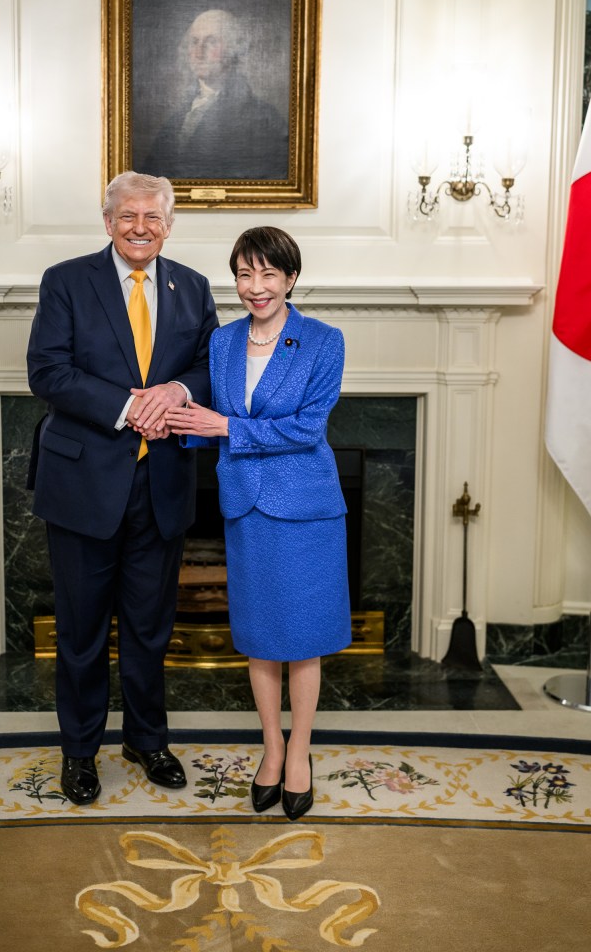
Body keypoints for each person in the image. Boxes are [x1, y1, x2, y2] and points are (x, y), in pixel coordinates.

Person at [26, 171, 218, 806]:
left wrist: (178, 391)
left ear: (169, 225)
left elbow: (209, 367)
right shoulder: (66, 281)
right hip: (84, 484)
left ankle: (146, 739)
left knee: (149, 627)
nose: (141, 227)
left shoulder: (191, 287)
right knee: (81, 633)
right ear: (108, 221)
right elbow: (46, 371)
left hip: (161, 486)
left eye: (153, 218)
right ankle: (80, 753)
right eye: (128, 216)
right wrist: (127, 406)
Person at [166, 227, 350, 821]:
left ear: (291, 278)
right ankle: (270, 749)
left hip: (306, 509)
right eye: (245, 275)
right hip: (246, 505)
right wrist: (168, 423)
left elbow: (307, 429)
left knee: (304, 639)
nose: (256, 287)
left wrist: (225, 429)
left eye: (269, 274)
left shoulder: (323, 341)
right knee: (259, 637)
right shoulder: (221, 343)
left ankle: (301, 751)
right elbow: (203, 416)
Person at [140, 8, 290, 181]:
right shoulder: (177, 119)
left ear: (234, 49)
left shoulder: (265, 119)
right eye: (194, 42)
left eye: (211, 42)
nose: (198, 53)